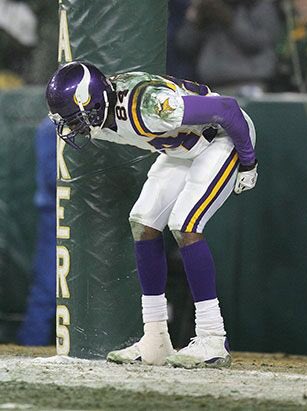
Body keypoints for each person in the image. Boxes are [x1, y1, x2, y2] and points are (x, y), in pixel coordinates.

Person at [46, 61, 257, 368]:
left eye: (77, 119)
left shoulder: (148, 106)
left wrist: (249, 162)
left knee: (185, 224)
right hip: (181, 149)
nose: (75, 127)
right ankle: (155, 338)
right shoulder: (100, 109)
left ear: (93, 103)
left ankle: (213, 337)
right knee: (143, 222)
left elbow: (227, 109)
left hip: (222, 138)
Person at [176, 0, 280, 96]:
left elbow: (261, 43)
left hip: (249, 85)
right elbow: (185, 45)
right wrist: (197, 22)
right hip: (211, 87)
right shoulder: (205, 5)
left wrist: (229, 20)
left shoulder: (258, 4)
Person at [17, 117, 56, 346]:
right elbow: (53, 177)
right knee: (46, 288)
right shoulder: (50, 128)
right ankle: (30, 346)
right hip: (54, 216)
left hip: (79, 218)